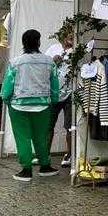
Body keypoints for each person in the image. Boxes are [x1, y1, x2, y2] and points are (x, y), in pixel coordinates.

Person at [1, 29, 60, 182]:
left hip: (18, 106)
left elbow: (7, 88)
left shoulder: (15, 63)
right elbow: (54, 84)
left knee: (23, 138)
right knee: (41, 137)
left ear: (23, 43)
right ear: (39, 42)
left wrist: (6, 99)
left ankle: (26, 170)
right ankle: (45, 166)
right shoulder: (49, 61)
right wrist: (53, 99)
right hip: (43, 106)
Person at [44, 33, 74, 167]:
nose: (71, 38)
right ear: (62, 36)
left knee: (70, 126)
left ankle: (69, 154)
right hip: (53, 92)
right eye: (68, 35)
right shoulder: (52, 48)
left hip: (70, 93)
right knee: (48, 124)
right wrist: (52, 61)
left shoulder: (77, 50)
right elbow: (43, 67)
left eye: (73, 35)